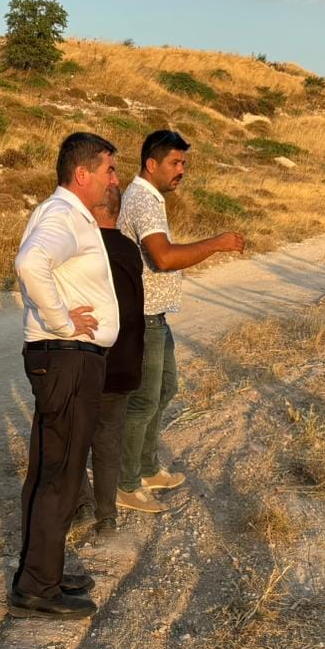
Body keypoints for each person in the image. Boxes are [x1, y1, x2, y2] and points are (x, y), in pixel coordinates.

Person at [11, 132, 120, 619]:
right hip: (68, 355)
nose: (113, 180)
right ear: (83, 174)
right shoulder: (62, 216)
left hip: (67, 356)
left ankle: (42, 570)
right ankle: (37, 585)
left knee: (54, 469)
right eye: (108, 171)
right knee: (60, 473)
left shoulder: (63, 214)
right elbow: (30, 264)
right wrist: (61, 320)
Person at [116, 130, 246, 515]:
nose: (182, 170)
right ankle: (124, 484)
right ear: (151, 164)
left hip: (156, 316)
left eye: (184, 163)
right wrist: (216, 244)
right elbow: (164, 257)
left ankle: (147, 467)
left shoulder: (149, 198)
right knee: (142, 401)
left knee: (165, 389)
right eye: (175, 163)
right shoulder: (143, 199)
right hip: (142, 319)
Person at [75, 181, 145, 537]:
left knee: (74, 439)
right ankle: (107, 518)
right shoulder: (130, 250)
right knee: (108, 442)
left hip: (88, 360)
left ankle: (81, 505)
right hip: (123, 366)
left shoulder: (82, 249)